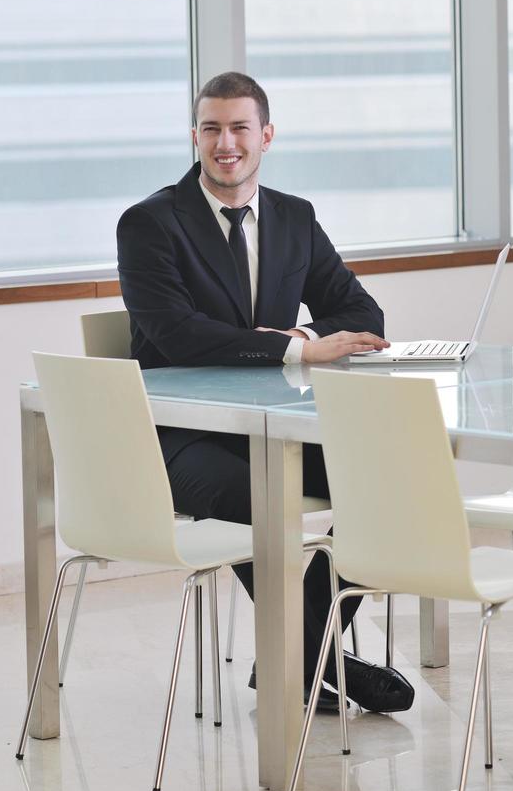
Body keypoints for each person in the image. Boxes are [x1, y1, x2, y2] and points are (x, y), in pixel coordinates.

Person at [117, 71, 413, 713]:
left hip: (276, 427)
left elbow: (364, 315)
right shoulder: (148, 224)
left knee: (389, 477)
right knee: (259, 500)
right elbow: (177, 337)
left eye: (240, 128)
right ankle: (322, 660)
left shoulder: (294, 218)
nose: (226, 143)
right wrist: (298, 348)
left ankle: (299, 654)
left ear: (266, 135)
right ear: (194, 137)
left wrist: (305, 330)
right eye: (212, 129)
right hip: (181, 436)